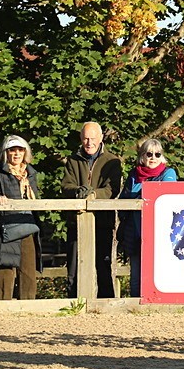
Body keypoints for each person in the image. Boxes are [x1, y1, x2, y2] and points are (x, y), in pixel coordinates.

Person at [61, 121, 123, 298]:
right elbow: (66, 185)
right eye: (86, 138)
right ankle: (74, 303)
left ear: (101, 138)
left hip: (102, 222)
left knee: (103, 268)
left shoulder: (112, 161)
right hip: (76, 222)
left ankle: (106, 305)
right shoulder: (73, 161)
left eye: (93, 138)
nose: (89, 142)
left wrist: (93, 195)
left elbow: (112, 189)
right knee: (73, 269)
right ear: (81, 139)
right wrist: (78, 192)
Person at [117, 138, 177, 297]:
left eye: (157, 154)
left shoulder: (169, 173)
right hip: (135, 231)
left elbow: (166, 196)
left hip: (159, 234)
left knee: (159, 272)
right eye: (149, 153)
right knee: (136, 275)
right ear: (142, 156)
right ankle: (135, 306)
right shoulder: (133, 175)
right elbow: (124, 199)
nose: (153, 158)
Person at [0, 135, 44, 300]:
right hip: (5, 228)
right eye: (13, 150)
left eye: (20, 150)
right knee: (3, 271)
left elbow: (35, 199)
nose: (17, 154)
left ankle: (28, 306)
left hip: (27, 225)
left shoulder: (30, 174)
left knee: (28, 270)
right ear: (6, 152)